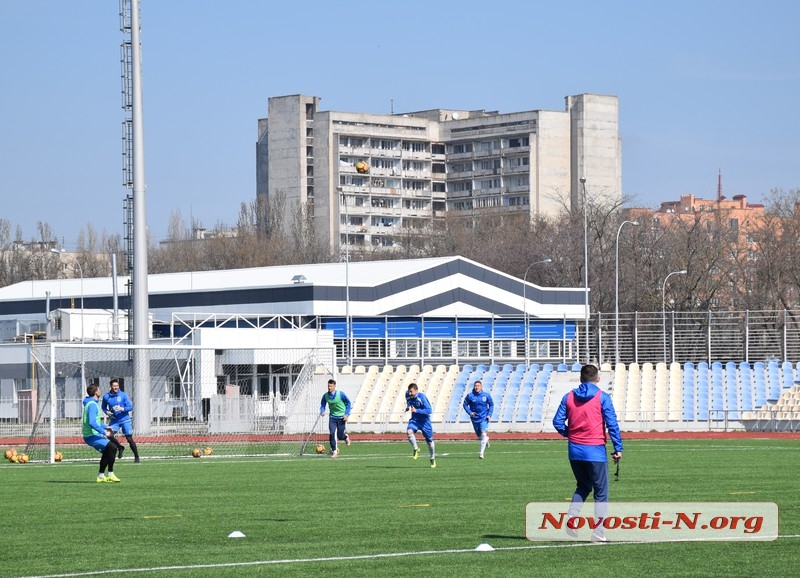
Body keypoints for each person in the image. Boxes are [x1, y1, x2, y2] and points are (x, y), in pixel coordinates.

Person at [552, 364, 623, 542]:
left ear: (580, 378)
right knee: (601, 492)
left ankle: (571, 519)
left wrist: (570, 434)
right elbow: (612, 424)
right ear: (598, 378)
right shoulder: (602, 397)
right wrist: (618, 448)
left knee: (583, 486)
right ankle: (598, 532)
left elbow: (557, 421)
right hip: (595, 451)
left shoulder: (569, 397)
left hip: (575, 451)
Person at [82, 383, 122, 483]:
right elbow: (92, 422)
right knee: (112, 447)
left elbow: (96, 422)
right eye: (99, 389)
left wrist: (106, 426)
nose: (100, 391)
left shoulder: (92, 403)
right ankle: (110, 474)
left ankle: (101, 476)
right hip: (91, 435)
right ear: (96, 392)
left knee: (108, 451)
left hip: (94, 434)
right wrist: (104, 432)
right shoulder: (92, 405)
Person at [102, 379, 140, 463]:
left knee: (129, 439)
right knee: (108, 435)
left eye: (117, 386)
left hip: (125, 420)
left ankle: (136, 456)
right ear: (111, 387)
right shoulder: (106, 396)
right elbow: (103, 407)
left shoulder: (123, 395)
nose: (116, 387)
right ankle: (120, 447)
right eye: (114, 386)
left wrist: (122, 409)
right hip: (114, 420)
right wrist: (107, 412)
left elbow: (130, 407)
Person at [405, 383, 436, 468]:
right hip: (415, 420)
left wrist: (417, 410)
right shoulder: (407, 394)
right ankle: (416, 449)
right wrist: (408, 407)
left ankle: (432, 458)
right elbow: (408, 401)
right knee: (409, 432)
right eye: (409, 392)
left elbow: (429, 410)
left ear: (416, 391)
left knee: (429, 442)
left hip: (425, 422)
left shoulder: (422, 397)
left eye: (411, 392)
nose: (410, 393)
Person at [319, 379, 351, 458]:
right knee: (332, 434)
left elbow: (348, 403)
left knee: (340, 436)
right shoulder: (325, 396)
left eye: (331, 386)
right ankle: (334, 451)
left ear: (334, 386)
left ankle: (345, 437)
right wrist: (322, 411)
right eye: (328, 386)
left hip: (342, 418)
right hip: (332, 417)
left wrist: (346, 414)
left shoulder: (341, 394)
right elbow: (322, 404)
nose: (329, 388)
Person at [462, 379, 494, 459]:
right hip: (475, 418)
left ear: (481, 386)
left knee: (483, 434)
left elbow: (491, 405)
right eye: (475, 386)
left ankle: (481, 453)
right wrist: (470, 412)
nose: (477, 387)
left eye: (478, 386)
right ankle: (486, 439)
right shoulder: (470, 396)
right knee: (480, 437)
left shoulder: (486, 395)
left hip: (484, 417)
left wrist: (489, 415)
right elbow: (465, 405)